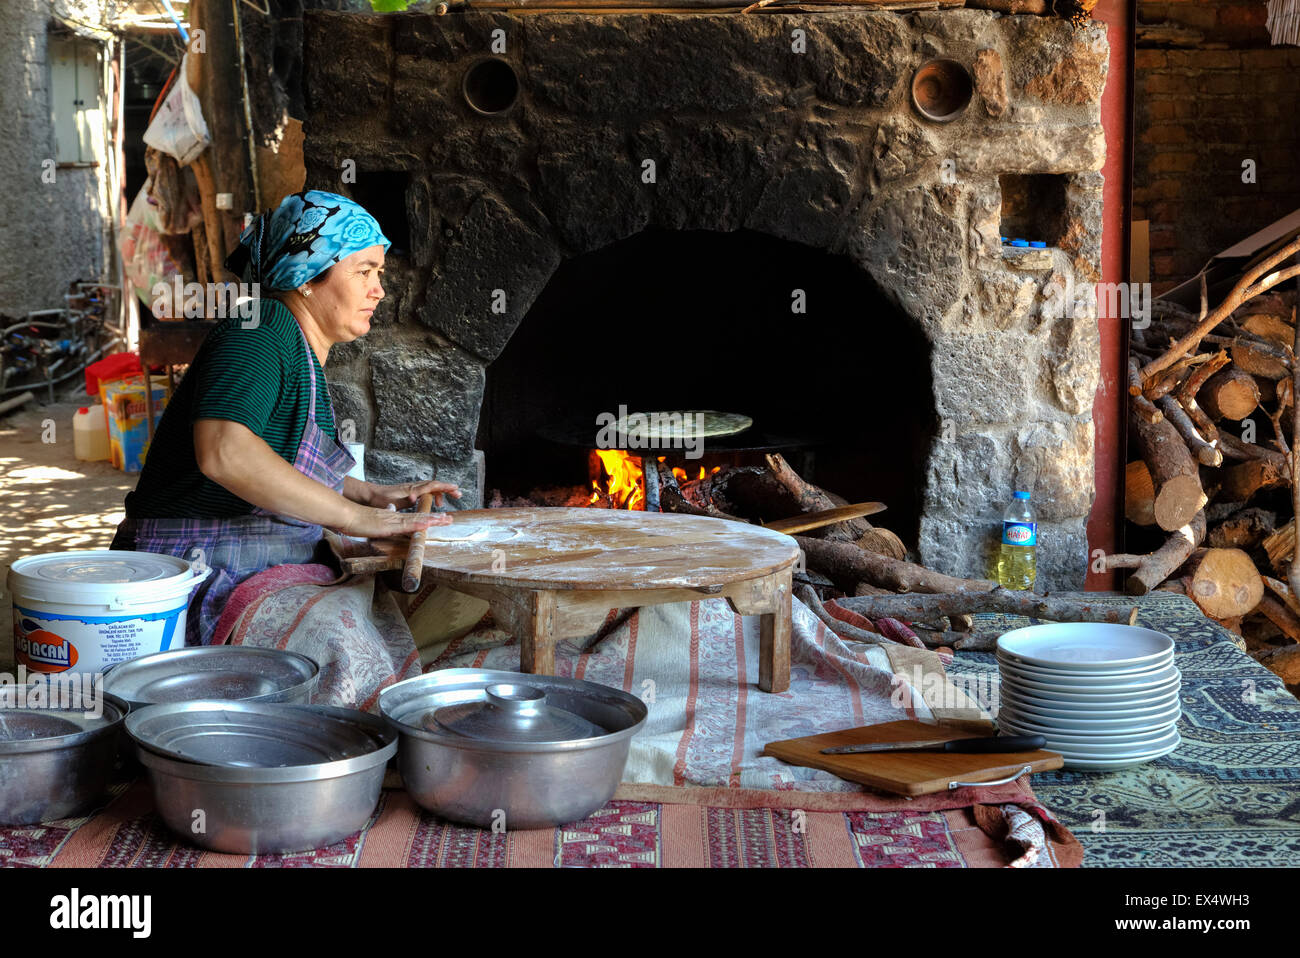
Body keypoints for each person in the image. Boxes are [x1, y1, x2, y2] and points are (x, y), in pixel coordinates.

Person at [111, 189, 459, 648]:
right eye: (364, 272)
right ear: (308, 278)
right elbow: (225, 452)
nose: (379, 289)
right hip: (198, 567)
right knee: (345, 643)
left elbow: (277, 464)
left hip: (250, 556)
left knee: (445, 601)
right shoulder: (261, 328)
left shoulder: (295, 348)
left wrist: (370, 494)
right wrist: (354, 518)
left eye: (379, 273)